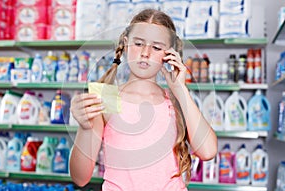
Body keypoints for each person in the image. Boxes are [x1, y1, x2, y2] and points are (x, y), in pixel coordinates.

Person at [69, 9, 217, 191]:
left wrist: (181, 89)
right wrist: (84, 128)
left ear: (169, 55)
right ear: (126, 44)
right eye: (138, 43)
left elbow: (208, 151)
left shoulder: (176, 100)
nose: (145, 53)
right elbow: (80, 178)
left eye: (156, 47)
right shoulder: (106, 96)